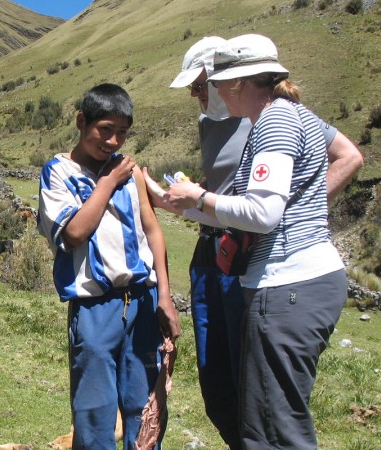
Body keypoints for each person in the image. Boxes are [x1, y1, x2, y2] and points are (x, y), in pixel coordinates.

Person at [145, 37, 363, 448]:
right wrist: (177, 203)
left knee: (268, 412)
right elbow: (245, 204)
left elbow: (264, 212)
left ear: (234, 82)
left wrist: (292, 211)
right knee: (251, 405)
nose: (197, 94)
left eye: (204, 83)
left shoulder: (275, 121)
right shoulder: (252, 117)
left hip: (281, 275)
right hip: (243, 261)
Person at [37, 83, 181, 450]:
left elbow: (152, 230)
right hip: (95, 307)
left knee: (144, 403)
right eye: (105, 130)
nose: (114, 141)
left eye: (122, 133)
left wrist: (165, 296)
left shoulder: (129, 172)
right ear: (81, 121)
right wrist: (107, 182)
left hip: (143, 301)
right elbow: (75, 232)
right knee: (94, 408)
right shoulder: (59, 172)